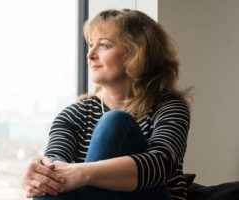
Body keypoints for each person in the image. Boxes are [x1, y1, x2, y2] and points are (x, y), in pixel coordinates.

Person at [23, 8, 192, 200]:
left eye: (104, 45)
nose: (90, 55)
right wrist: (40, 175)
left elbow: (160, 165)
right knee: (50, 181)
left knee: (115, 123)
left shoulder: (168, 106)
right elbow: (55, 163)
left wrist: (82, 174)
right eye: (90, 45)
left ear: (137, 52)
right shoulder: (73, 115)